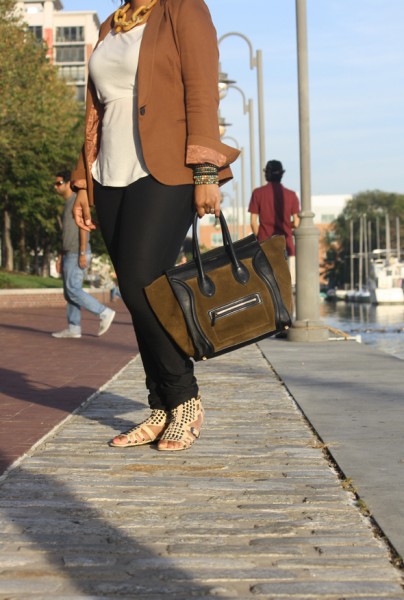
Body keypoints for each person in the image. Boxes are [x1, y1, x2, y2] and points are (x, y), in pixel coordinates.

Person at [70, 0, 239, 452]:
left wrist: (206, 172)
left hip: (165, 170)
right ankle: (161, 406)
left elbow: (202, 89)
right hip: (108, 172)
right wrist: (82, 183)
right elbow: (92, 111)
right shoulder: (112, 23)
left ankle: (184, 399)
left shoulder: (183, 10)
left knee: (145, 281)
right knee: (133, 288)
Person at [52, 170, 116, 339]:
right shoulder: (66, 205)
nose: (55, 187)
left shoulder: (75, 201)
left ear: (68, 184)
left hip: (77, 253)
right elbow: (65, 234)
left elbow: (84, 227)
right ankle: (74, 328)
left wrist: (82, 252)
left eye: (58, 183)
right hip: (68, 253)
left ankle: (104, 312)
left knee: (73, 289)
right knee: (69, 292)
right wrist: (60, 257)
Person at [248, 160, 300, 285]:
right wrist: (288, 224)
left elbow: (253, 222)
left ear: (267, 175)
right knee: (287, 286)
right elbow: (297, 222)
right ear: (281, 174)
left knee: (266, 285)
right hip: (285, 246)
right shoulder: (291, 195)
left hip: (264, 245)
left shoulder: (258, 193)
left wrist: (259, 236)